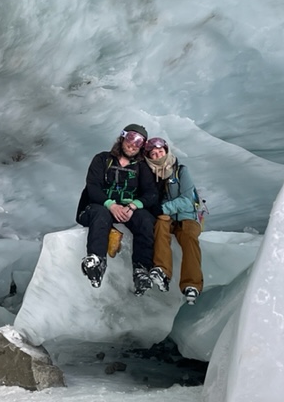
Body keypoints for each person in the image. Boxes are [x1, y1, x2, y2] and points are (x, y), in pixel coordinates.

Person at [75, 124, 158, 295]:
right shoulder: (102, 159)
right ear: (122, 137)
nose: (133, 144)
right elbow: (93, 187)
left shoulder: (141, 167)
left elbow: (151, 193)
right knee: (101, 214)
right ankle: (96, 260)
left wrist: (133, 205)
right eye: (131, 138)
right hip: (99, 206)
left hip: (127, 208)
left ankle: (141, 269)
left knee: (146, 220)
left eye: (139, 142)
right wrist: (110, 205)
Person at [144, 136, 203, 305]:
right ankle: (162, 271)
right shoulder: (151, 175)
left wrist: (163, 208)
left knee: (189, 236)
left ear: (167, 151)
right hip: (168, 219)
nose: (158, 156)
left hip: (187, 217)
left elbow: (187, 199)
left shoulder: (181, 171)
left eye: (160, 152)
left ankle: (191, 284)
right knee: (161, 224)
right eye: (153, 154)